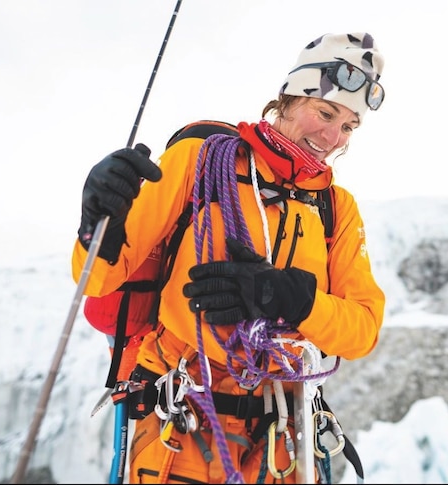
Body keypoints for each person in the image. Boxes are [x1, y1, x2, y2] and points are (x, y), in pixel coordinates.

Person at [72, 32, 387, 484]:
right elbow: (97, 279)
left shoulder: (335, 208)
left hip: (283, 425)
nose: (333, 136)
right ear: (290, 99)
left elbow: (363, 330)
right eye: (326, 112)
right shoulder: (199, 160)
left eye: (349, 126)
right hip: (183, 416)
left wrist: (294, 300)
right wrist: (99, 222)